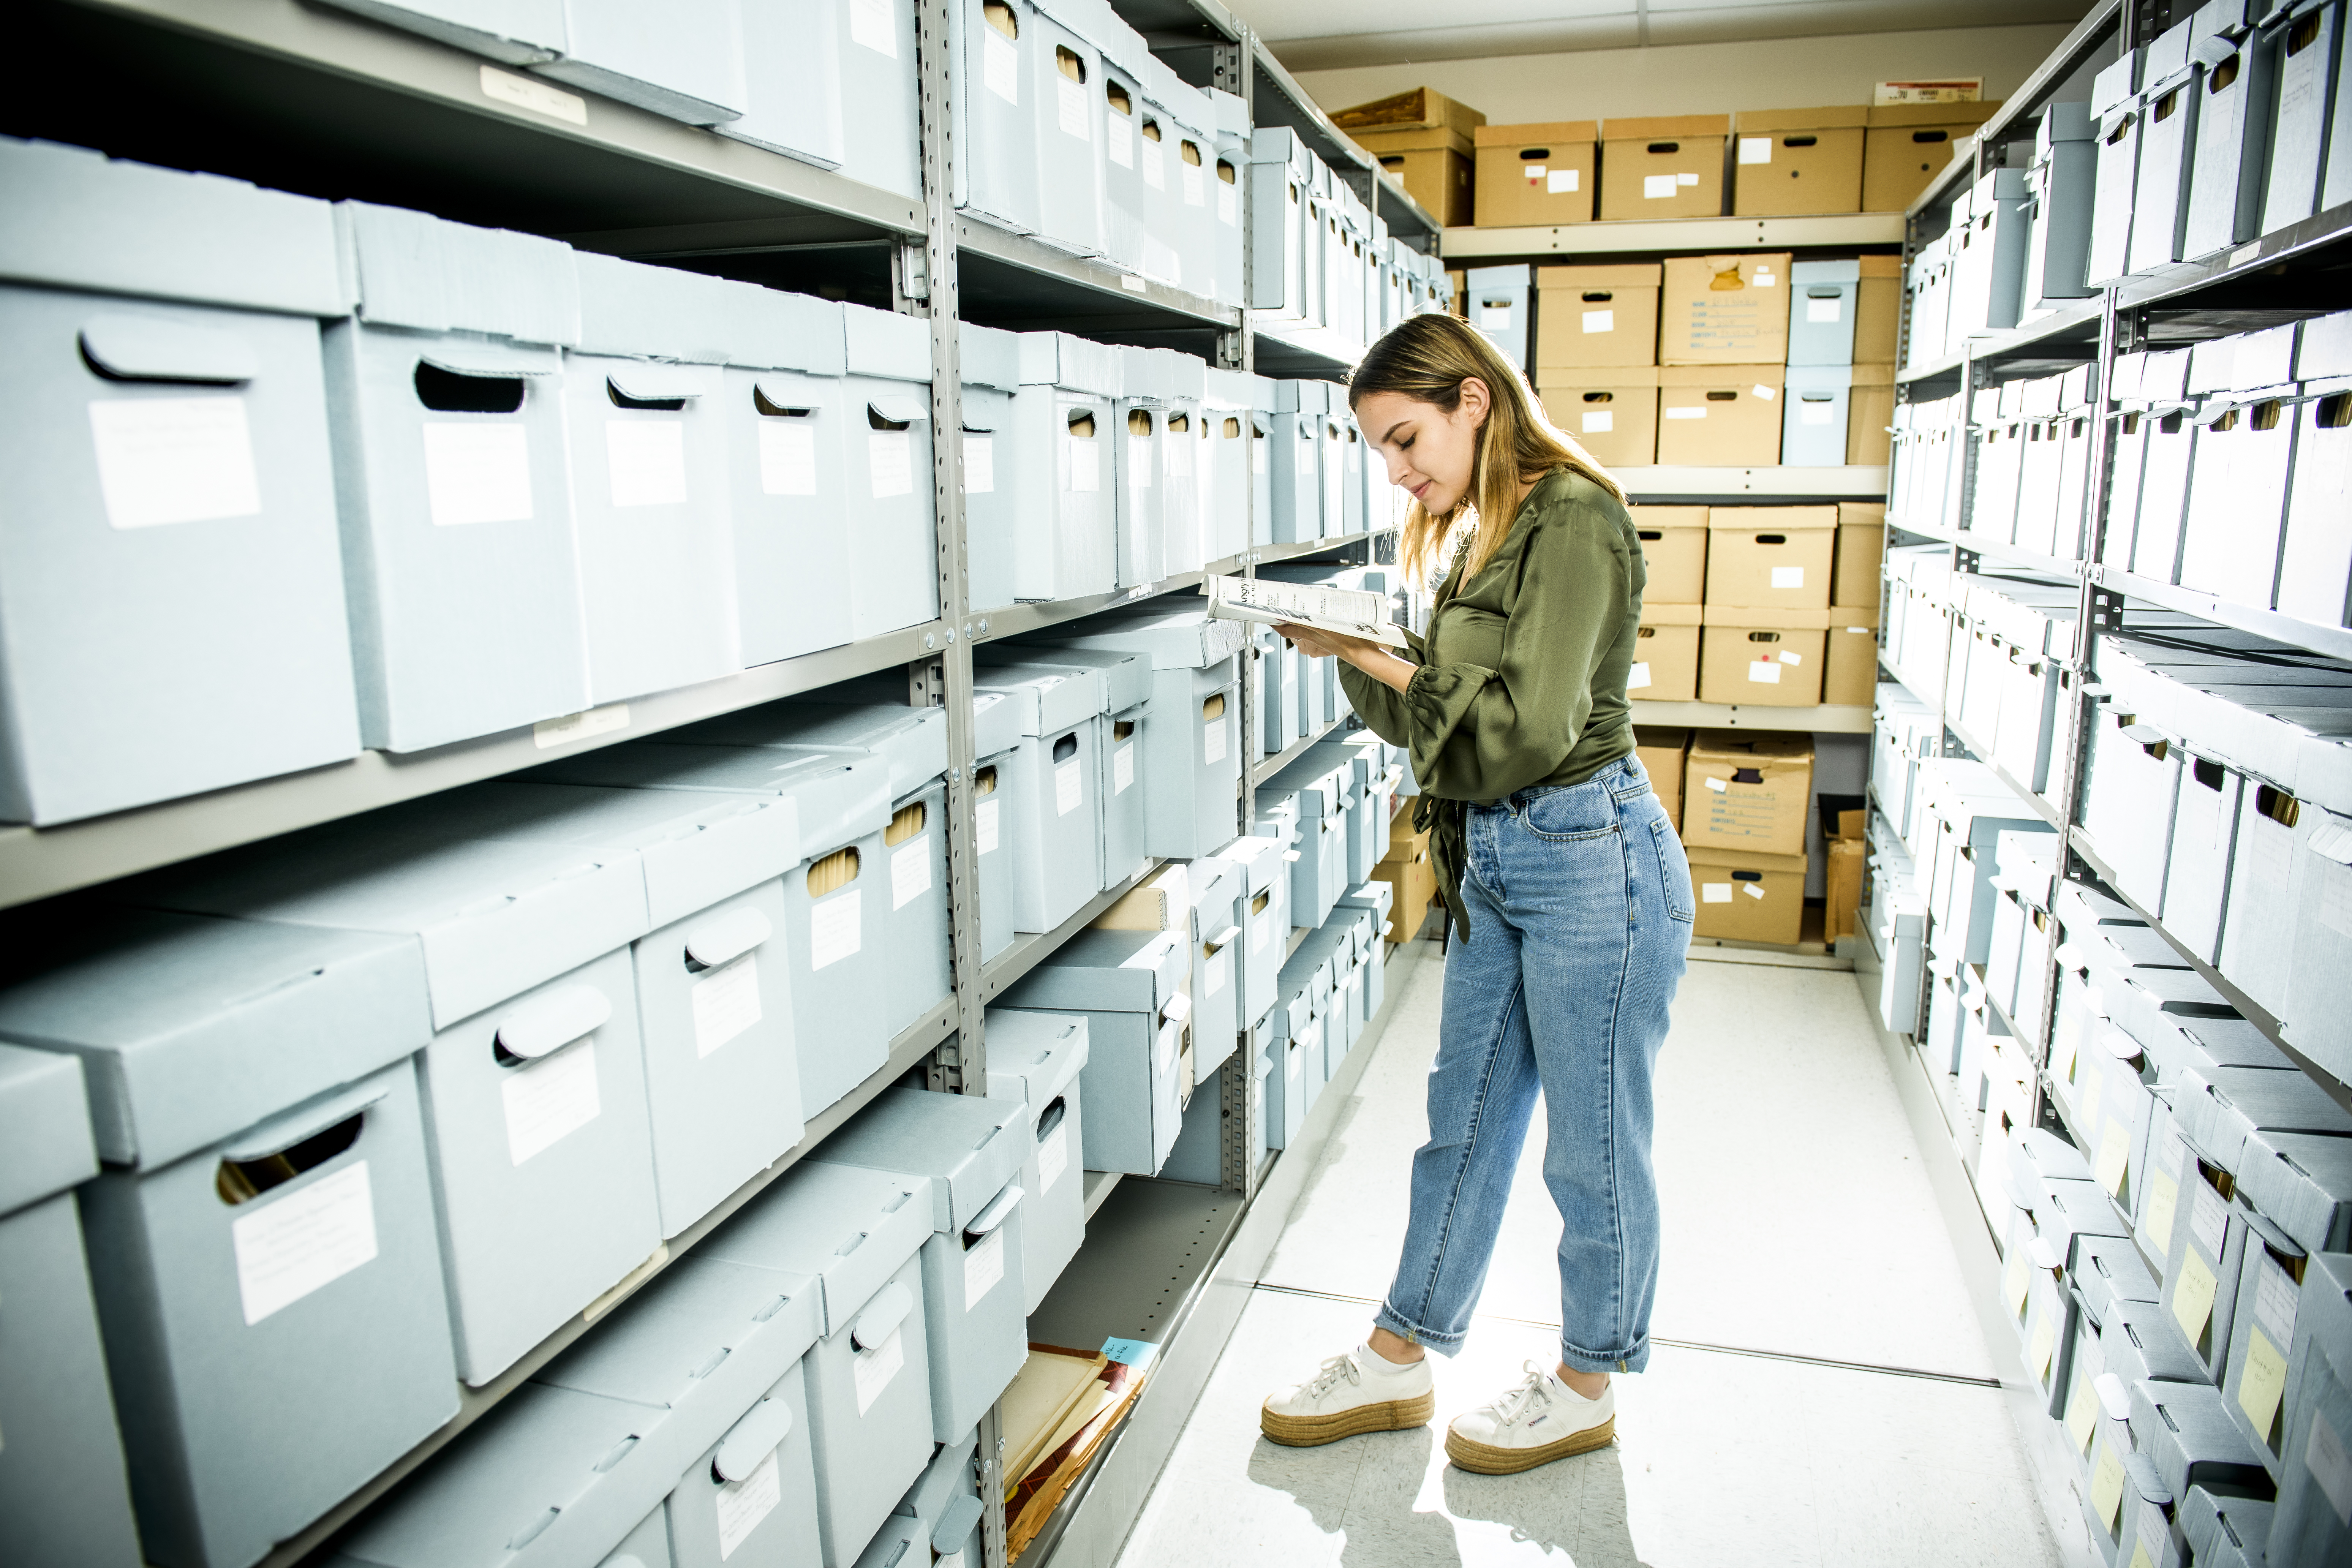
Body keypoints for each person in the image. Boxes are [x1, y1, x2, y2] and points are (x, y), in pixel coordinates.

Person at [1261, 312, 1694, 1476]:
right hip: (1495, 860)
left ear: (1474, 401)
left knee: (1593, 1144)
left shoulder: (1575, 518)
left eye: (1409, 440)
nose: (1400, 472)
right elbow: (1433, 733)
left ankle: (1588, 1381)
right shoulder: (1467, 528)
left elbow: (1517, 732)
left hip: (1590, 856)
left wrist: (1380, 655)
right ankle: (1400, 1357)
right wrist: (1356, 647)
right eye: (1382, 454)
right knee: (1464, 1122)